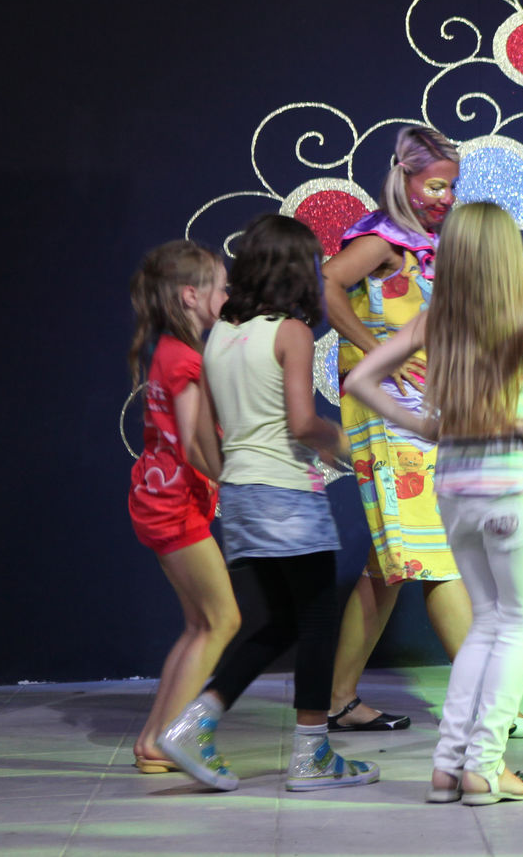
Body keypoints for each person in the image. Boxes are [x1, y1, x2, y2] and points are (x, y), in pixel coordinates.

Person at [320, 126, 523, 736]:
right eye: (435, 186)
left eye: (452, 187)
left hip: (421, 410)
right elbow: (326, 284)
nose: (446, 198)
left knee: (390, 563)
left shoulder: (428, 243)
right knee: (437, 554)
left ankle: (337, 698)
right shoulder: (380, 239)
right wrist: (378, 350)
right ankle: (489, 707)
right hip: (388, 411)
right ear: (402, 177)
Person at [347, 202, 523, 805]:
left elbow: (360, 380)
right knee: (517, 624)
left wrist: (422, 425)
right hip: (507, 481)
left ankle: (448, 767)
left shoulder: (433, 320)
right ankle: (484, 767)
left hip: (453, 483)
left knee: (486, 622)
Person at [158, 214, 376, 793]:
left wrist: (233, 477)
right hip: (286, 491)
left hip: (241, 494)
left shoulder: (220, 336)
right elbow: (302, 422)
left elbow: (203, 437)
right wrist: (343, 444)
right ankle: (312, 755)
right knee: (318, 619)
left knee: (278, 622)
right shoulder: (291, 332)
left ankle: (193, 724)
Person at [126, 241, 241, 774]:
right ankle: (167, 739)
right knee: (222, 620)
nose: (228, 294)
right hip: (175, 507)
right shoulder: (188, 359)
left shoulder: (170, 350)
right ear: (192, 296)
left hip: (161, 499)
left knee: (199, 623)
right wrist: (235, 477)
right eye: (221, 286)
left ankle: (152, 740)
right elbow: (195, 445)